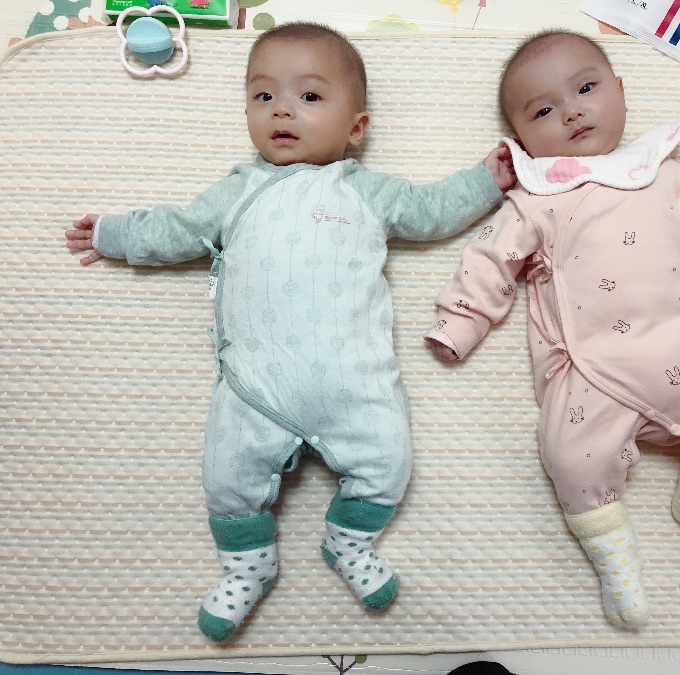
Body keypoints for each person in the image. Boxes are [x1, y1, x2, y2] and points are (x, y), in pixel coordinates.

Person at [65, 21, 515, 642]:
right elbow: (178, 229)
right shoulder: (239, 190)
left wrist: (486, 180)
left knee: (390, 461)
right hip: (257, 383)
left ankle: (348, 541)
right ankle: (248, 566)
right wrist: (115, 234)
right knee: (226, 476)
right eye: (263, 95)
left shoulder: (365, 191)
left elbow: (432, 210)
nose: (281, 109)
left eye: (309, 96)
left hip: (354, 382)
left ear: (355, 128)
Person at [425, 29, 680, 629]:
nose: (572, 112)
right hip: (589, 366)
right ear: (520, 137)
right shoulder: (537, 199)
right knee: (570, 457)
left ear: (620, 92)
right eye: (543, 111)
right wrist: (459, 322)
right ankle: (615, 557)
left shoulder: (668, 176)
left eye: (586, 89)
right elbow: (491, 261)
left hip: (675, 353)